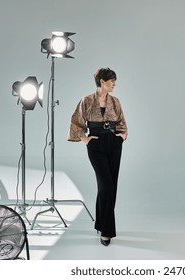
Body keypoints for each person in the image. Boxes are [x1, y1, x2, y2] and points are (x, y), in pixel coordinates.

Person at [67, 67, 127, 246]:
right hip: (96, 144)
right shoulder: (86, 101)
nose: (114, 84)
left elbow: (122, 122)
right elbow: (76, 121)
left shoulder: (115, 101)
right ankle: (107, 232)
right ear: (102, 82)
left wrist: (121, 137)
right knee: (106, 185)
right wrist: (85, 139)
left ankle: (100, 223)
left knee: (109, 186)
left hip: (114, 143)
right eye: (111, 81)